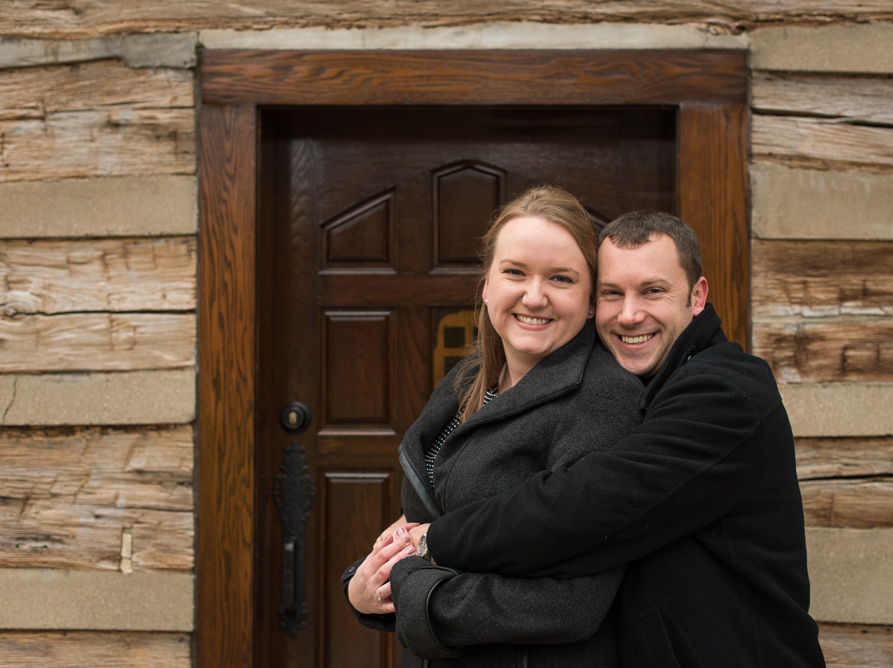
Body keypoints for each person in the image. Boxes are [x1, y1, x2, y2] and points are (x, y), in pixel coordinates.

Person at [408, 211, 827, 667]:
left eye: (653, 291)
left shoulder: (725, 395)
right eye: (612, 294)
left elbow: (584, 505)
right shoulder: (644, 383)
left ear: (697, 295)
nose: (629, 315)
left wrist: (433, 541)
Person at [342, 186, 645, 666]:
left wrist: (415, 592)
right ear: (487, 284)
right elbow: (428, 517)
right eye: (515, 272)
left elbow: (574, 605)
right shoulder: (468, 378)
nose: (534, 296)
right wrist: (363, 584)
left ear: (591, 301)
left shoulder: (603, 401)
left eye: (561, 278)